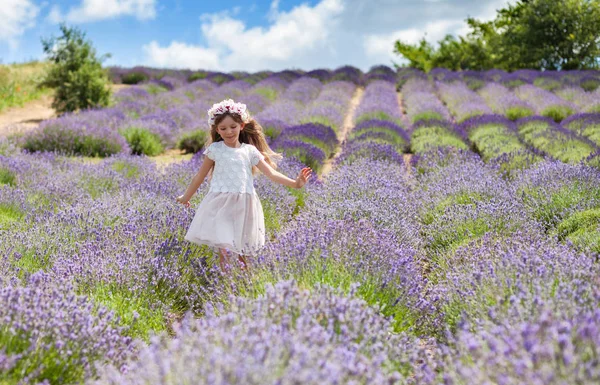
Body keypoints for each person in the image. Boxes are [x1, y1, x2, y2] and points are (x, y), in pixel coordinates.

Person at [176, 99, 312, 272]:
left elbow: (271, 173)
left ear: (241, 125)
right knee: (224, 249)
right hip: (220, 204)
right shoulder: (215, 150)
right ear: (217, 130)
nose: (228, 131)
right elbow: (199, 176)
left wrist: (295, 183)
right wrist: (185, 197)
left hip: (245, 206)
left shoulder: (249, 151)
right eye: (223, 128)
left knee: (243, 250)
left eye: (233, 126)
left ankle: (244, 284)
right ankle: (227, 285)